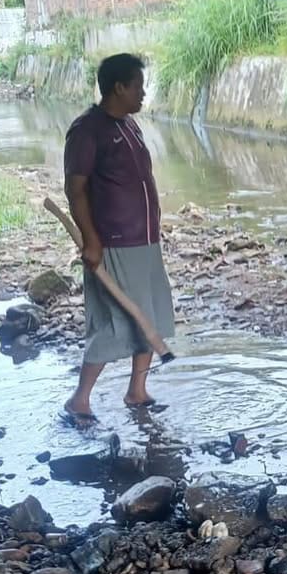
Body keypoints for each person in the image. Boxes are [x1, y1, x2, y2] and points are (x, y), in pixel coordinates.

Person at [61, 53, 175, 423]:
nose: (143, 94)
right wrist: (92, 241)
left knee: (150, 315)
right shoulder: (87, 130)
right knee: (116, 322)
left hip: (143, 241)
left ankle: (137, 391)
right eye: (138, 87)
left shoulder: (129, 125)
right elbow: (75, 190)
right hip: (114, 244)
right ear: (119, 87)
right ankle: (80, 400)